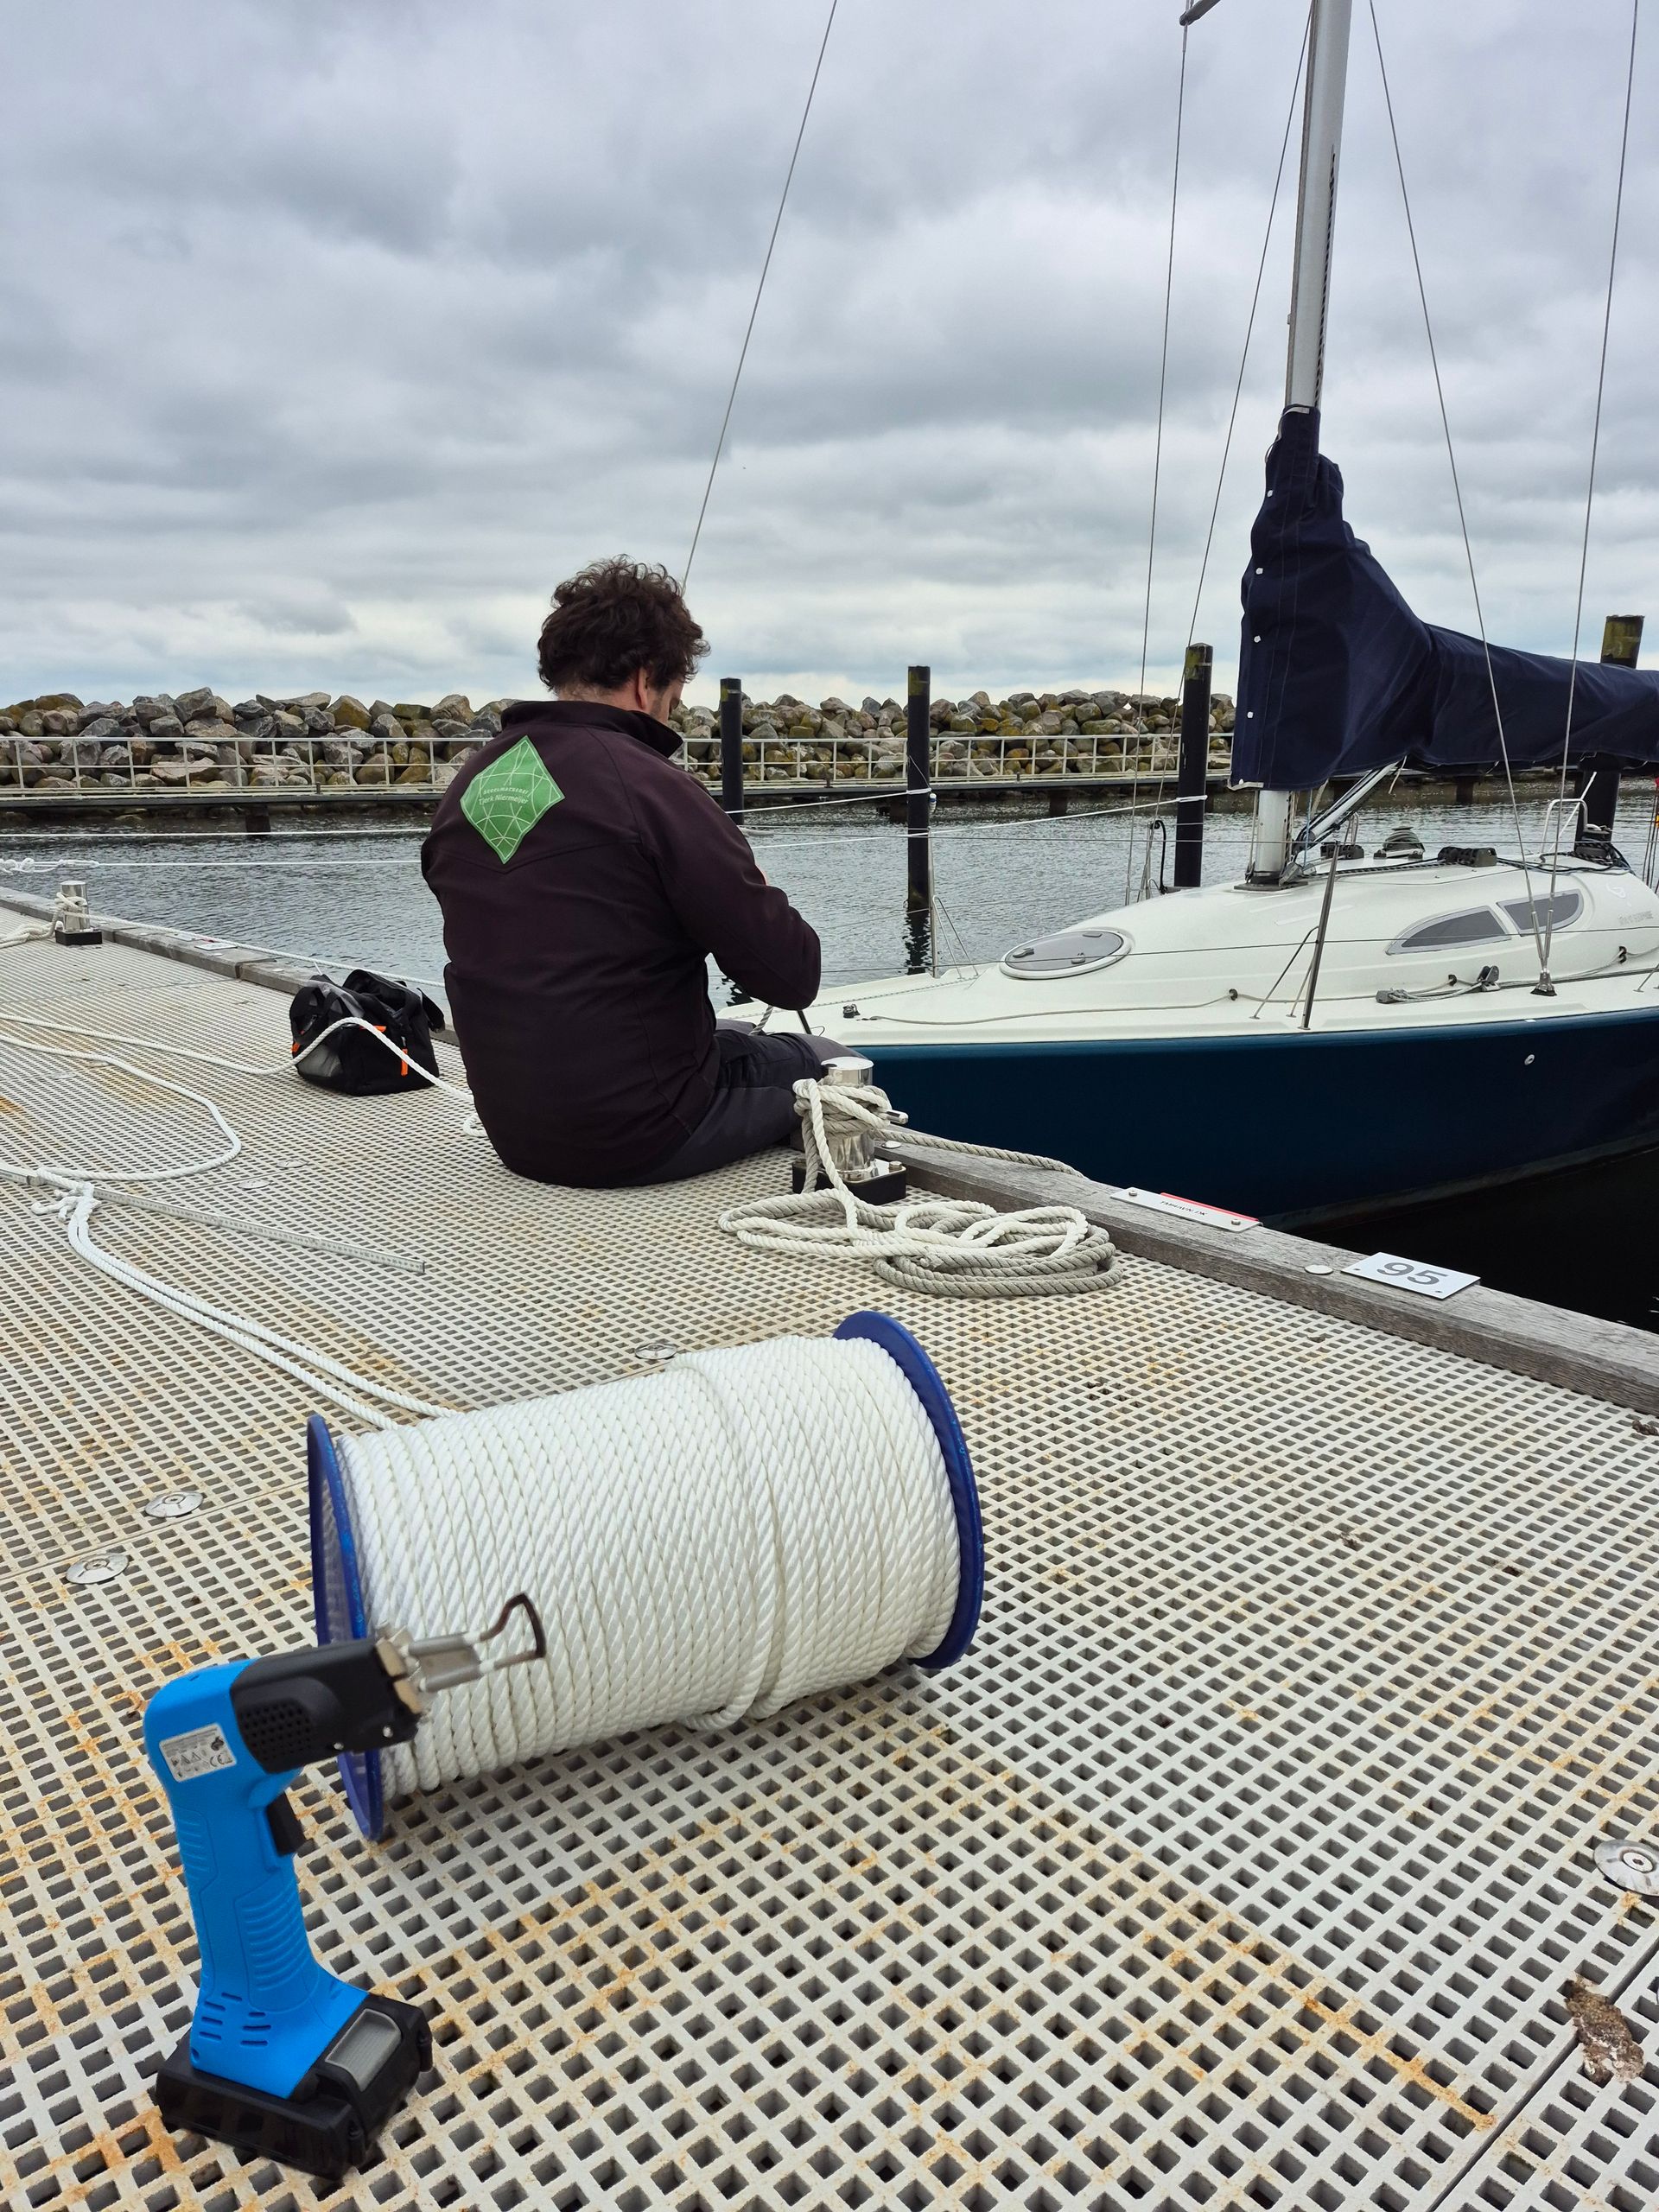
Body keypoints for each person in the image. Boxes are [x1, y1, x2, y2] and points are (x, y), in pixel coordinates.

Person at [422, 556, 844, 1186]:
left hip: (518, 1132)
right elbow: (790, 975)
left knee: (726, 1033)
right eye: (674, 702)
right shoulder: (650, 788)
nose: (669, 719)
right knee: (837, 1062)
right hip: (641, 1136)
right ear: (647, 683)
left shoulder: (472, 785)